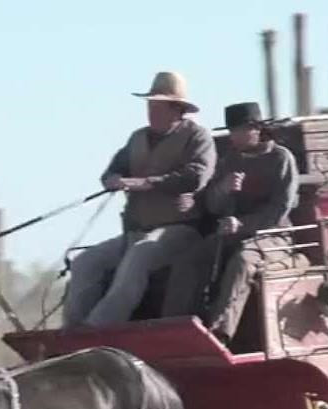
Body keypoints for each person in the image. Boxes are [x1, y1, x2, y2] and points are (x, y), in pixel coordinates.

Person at [61, 71, 217, 328]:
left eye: (158, 106)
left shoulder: (197, 137)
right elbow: (113, 170)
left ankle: (99, 329)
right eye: (150, 105)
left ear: (177, 109)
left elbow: (196, 177)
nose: (151, 111)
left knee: (139, 256)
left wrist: (146, 183)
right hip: (135, 231)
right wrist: (112, 179)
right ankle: (72, 333)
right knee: (85, 263)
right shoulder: (137, 138)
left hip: (180, 231)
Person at [169, 101, 300, 344]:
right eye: (232, 131)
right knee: (190, 259)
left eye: (239, 131)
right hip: (231, 233)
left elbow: (278, 209)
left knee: (243, 261)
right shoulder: (230, 160)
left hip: (274, 237)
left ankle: (220, 332)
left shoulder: (281, 159)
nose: (234, 137)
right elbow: (213, 206)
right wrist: (224, 189)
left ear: (256, 129)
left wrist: (242, 224)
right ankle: (176, 327)